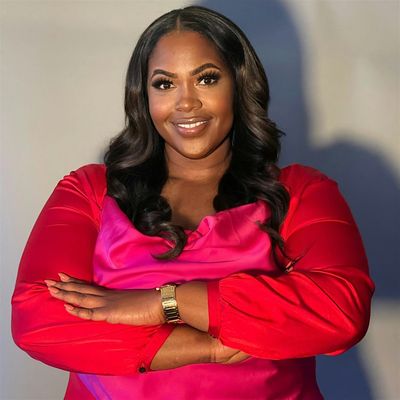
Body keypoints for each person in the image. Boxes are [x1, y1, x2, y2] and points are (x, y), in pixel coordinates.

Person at [11, 6, 374, 400]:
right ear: (143, 96)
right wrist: (208, 347)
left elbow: (340, 310)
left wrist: (165, 303)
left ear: (239, 84)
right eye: (165, 84)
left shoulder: (300, 191)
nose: (186, 102)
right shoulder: (89, 191)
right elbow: (38, 319)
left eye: (206, 78)